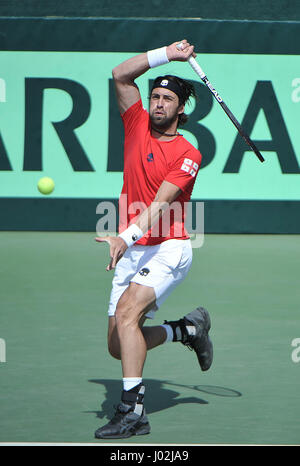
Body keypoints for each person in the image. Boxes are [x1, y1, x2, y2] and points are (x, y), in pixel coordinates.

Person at [94, 39, 213, 439]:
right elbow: (120, 74)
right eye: (155, 97)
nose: (158, 103)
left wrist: (124, 236)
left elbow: (161, 204)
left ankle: (133, 410)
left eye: (167, 99)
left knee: (128, 314)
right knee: (118, 344)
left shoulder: (188, 153)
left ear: (182, 108)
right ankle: (186, 331)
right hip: (133, 248)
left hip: (168, 247)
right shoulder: (136, 123)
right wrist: (167, 54)